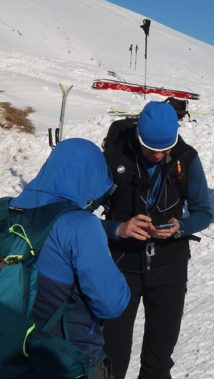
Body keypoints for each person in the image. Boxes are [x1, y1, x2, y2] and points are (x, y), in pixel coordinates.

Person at [100, 101, 213, 379]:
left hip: (169, 268)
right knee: (112, 357)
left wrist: (181, 226)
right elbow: (81, 217)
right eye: (153, 149)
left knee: (158, 360)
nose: (160, 155)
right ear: (139, 137)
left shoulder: (186, 158)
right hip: (121, 268)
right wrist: (118, 228)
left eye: (166, 148)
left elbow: (204, 213)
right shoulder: (114, 155)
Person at [8, 139, 130, 378]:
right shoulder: (80, 226)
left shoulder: (10, 211)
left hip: (13, 354)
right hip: (68, 360)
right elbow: (111, 303)